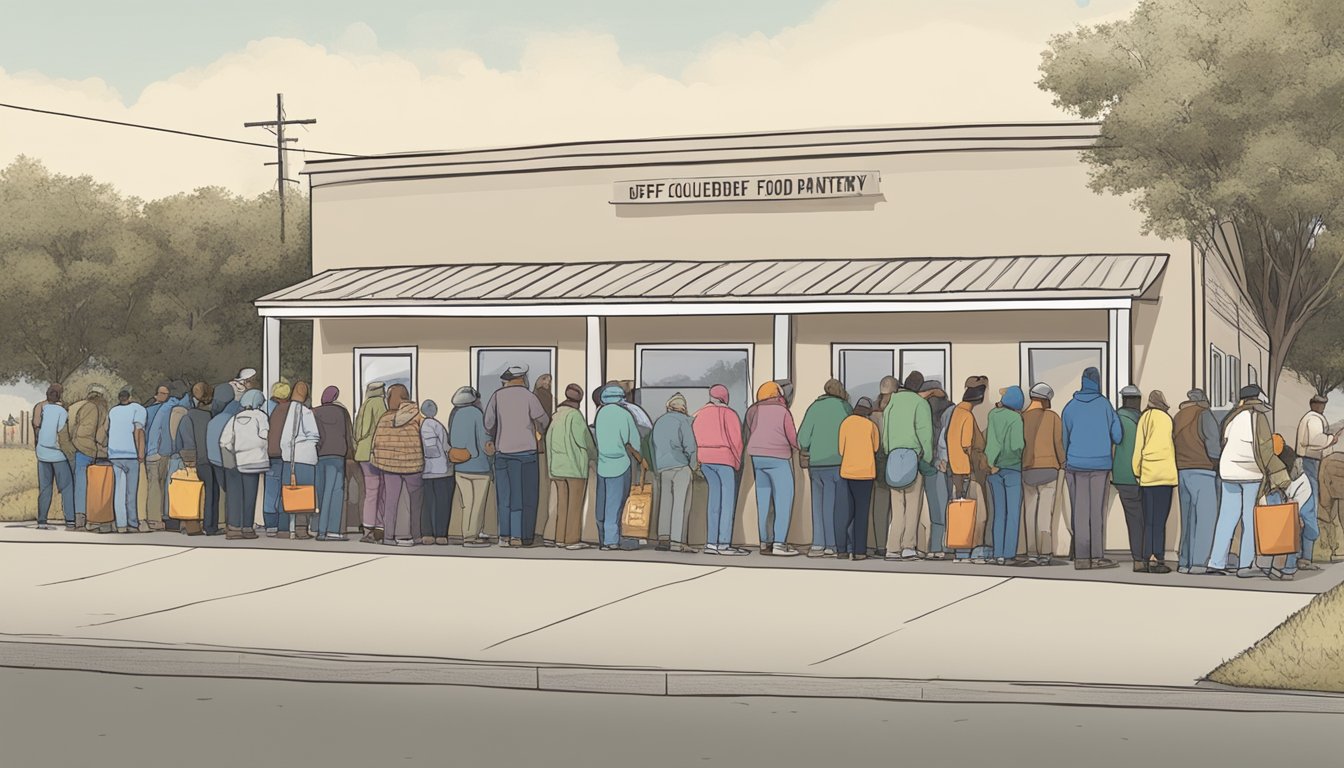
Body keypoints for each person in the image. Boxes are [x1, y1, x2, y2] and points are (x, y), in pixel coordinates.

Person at [1208, 384, 1287, 577]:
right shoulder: (1257, 417)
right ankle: (1245, 565)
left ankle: (1216, 562)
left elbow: (1224, 442)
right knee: (1250, 519)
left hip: (1228, 472)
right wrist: (1280, 473)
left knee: (1226, 517)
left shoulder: (1231, 417)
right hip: (1251, 474)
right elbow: (1266, 449)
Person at [1061, 367, 1123, 570]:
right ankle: (1096, 556)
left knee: (1079, 511)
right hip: (1100, 465)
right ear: (1098, 382)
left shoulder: (1069, 407)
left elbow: (1064, 439)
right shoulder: (1105, 405)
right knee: (1097, 512)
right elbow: (1118, 436)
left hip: (1075, 465)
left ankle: (1081, 557)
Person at [485, 365, 550, 548]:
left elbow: (488, 422)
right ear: (522, 378)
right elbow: (544, 420)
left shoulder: (497, 396)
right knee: (525, 497)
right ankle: (521, 536)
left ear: (507, 380)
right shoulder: (530, 397)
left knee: (505, 497)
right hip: (526, 454)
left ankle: (504, 536)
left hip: (502, 453)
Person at [745, 381, 801, 556]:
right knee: (783, 500)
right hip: (778, 458)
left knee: (763, 501)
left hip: (757, 458)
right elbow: (792, 437)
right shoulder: (782, 411)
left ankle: (764, 542)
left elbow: (751, 429)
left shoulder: (753, 410)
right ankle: (779, 544)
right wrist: (801, 447)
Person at [883, 372, 934, 561]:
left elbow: (885, 432)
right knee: (913, 505)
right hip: (913, 457)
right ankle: (908, 547)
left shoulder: (893, 402)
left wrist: (889, 451)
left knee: (897, 506)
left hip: (894, 457)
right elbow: (925, 433)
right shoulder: (920, 403)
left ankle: (892, 547)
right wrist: (926, 458)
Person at [798, 379, 851, 558]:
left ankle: (818, 544)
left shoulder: (814, 407)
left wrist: (808, 450)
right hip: (838, 464)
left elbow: (803, 439)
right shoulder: (845, 407)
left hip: (816, 465)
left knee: (818, 506)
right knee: (835, 506)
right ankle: (832, 544)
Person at [693, 384, 746, 556]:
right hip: (724, 459)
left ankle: (711, 543)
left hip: (704, 460)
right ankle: (724, 543)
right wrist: (737, 462)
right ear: (725, 397)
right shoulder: (729, 414)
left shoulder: (699, 414)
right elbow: (736, 441)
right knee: (727, 503)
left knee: (714, 502)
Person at [594, 384, 648, 550]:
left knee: (601, 504)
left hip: (603, 464)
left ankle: (603, 538)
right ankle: (612, 541)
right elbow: (632, 441)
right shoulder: (624, 414)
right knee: (615, 505)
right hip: (620, 464)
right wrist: (641, 459)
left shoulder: (600, 414)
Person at [1173, 388, 1221, 574]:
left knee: (1188, 520)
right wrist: (1218, 460)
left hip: (1183, 471)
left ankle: (1184, 562)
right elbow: (1212, 443)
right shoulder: (1204, 415)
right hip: (1203, 470)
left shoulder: (1178, 416)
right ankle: (1199, 563)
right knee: (1205, 519)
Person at [372, 384, 425, 547]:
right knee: (416, 502)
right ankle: (416, 535)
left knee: (391, 502)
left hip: (390, 467)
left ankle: (389, 537)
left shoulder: (385, 418)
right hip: (413, 464)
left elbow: (377, 443)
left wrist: (380, 461)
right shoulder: (418, 415)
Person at [1131, 390, 1177, 573]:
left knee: (1148, 519)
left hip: (1148, 476)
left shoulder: (1145, 418)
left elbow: (1138, 448)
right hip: (1165, 476)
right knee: (1160, 520)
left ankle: (1145, 558)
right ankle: (1158, 558)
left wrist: (1136, 471)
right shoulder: (1167, 419)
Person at [546, 384, 596, 550]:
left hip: (557, 468)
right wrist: (594, 455)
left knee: (562, 505)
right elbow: (585, 440)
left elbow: (548, 440)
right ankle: (572, 540)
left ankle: (559, 538)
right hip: (574, 467)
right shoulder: (575, 416)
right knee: (574, 506)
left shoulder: (556, 416)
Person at [949, 376, 991, 563]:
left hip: (956, 471)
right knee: (979, 514)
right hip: (968, 472)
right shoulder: (966, 415)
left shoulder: (956, 412)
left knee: (960, 513)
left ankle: (961, 551)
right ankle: (975, 551)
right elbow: (966, 444)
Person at [1021, 382, 1064, 566]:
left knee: (1030, 512)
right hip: (1049, 470)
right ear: (1046, 401)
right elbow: (1058, 443)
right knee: (1045, 513)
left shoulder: (1021, 418)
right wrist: (1063, 463)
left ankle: (1031, 552)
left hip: (1028, 471)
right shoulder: (1053, 417)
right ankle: (1045, 552)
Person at [651, 393, 698, 553]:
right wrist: (693, 466)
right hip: (681, 466)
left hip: (663, 467)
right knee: (681, 504)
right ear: (683, 408)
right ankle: (677, 542)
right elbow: (690, 446)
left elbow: (653, 445)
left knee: (665, 503)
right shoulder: (686, 421)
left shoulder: (659, 422)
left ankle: (663, 538)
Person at [220, 389, 269, 539]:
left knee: (235, 496)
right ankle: (248, 528)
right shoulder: (260, 416)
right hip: (255, 461)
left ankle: (234, 527)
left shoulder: (234, 418)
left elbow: (224, 441)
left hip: (237, 461)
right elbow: (265, 435)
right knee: (250, 496)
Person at [985, 385, 1026, 565]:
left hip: (994, 469)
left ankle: (998, 553)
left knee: (999, 513)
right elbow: (1017, 445)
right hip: (1013, 469)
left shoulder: (993, 415)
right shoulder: (1016, 419)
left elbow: (992, 441)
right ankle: (1009, 553)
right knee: (1013, 513)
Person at [837, 397, 880, 561]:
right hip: (866, 473)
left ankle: (842, 549)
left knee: (846, 512)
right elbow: (876, 448)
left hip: (847, 472)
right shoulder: (871, 426)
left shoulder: (846, 423)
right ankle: (859, 551)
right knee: (862, 514)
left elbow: (841, 450)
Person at [449, 386, 493, 547]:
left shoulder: (454, 415)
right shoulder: (476, 414)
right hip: (479, 467)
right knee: (477, 505)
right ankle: (471, 537)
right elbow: (484, 442)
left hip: (460, 467)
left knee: (467, 503)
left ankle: (467, 534)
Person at [1294, 394, 1334, 571]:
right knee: (1309, 508)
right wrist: (1331, 439)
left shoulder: (1308, 418)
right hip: (1310, 461)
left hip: (1306, 461)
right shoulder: (1314, 419)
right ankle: (1305, 557)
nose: (1322, 407)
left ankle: (1300, 555)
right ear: (1314, 405)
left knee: (1304, 507)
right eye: (1320, 404)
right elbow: (1316, 441)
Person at [175, 382, 219, 535]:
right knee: (212, 493)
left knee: (192, 493)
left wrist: (188, 459)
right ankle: (210, 526)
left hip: (195, 461)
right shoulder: (211, 416)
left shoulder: (188, 416)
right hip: (210, 459)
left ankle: (191, 524)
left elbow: (183, 440)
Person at [66, 384, 110, 531]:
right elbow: (100, 435)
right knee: (91, 485)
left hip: (75, 448)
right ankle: (90, 518)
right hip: (90, 451)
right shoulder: (101, 409)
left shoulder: (79, 406)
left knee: (76, 484)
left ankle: (76, 518)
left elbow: (72, 427)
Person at [279, 382, 320, 540]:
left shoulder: (283, 411)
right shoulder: (306, 412)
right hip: (305, 457)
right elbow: (314, 435)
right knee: (304, 493)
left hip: (287, 457)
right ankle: (301, 528)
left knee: (288, 492)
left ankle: (286, 527)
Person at [314, 386, 354, 542]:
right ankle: (332, 530)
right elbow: (348, 433)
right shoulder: (341, 412)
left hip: (320, 455)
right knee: (336, 492)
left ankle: (319, 529)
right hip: (338, 455)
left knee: (322, 492)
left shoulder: (315, 412)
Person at [206, 385, 247, 538]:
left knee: (224, 492)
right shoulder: (235, 418)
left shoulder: (215, 419)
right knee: (235, 492)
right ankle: (235, 524)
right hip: (231, 460)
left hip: (216, 460)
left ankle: (225, 523)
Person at [1112, 385, 1145, 570]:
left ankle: (1138, 558)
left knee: (1133, 518)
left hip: (1123, 476)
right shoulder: (1145, 419)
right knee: (1145, 518)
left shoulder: (1116, 418)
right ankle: (1146, 556)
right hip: (1145, 475)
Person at [33, 384, 74, 531]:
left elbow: (36, 425)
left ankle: (42, 520)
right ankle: (70, 519)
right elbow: (62, 435)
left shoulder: (41, 408)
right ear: (60, 395)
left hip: (42, 453)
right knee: (67, 486)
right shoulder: (62, 412)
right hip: (57, 455)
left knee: (45, 488)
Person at [106, 389, 147, 534]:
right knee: (131, 492)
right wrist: (140, 453)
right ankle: (133, 523)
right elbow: (138, 432)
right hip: (131, 454)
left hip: (115, 455)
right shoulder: (138, 409)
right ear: (130, 397)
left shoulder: (113, 411)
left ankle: (121, 524)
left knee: (119, 491)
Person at [921, 380, 953, 561]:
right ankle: (946, 545)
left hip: (931, 463)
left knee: (936, 508)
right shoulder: (950, 409)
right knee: (947, 505)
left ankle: (935, 546)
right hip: (947, 463)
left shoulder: (923, 408)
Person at [869, 376, 899, 558]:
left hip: (875, 462)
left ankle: (881, 545)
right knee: (899, 505)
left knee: (879, 506)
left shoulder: (871, 413)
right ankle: (894, 546)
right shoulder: (896, 410)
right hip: (896, 460)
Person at [353, 381, 387, 543]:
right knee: (378, 492)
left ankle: (368, 527)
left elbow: (356, 432)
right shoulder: (379, 404)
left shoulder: (363, 405)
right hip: (374, 453)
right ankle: (375, 528)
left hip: (361, 453)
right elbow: (383, 428)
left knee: (370, 492)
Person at [418, 399, 454, 546]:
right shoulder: (438, 426)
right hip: (442, 471)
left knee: (427, 504)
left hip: (426, 471)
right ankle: (441, 535)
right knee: (442, 504)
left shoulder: (420, 427)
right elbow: (446, 446)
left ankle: (427, 534)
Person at [140, 383, 172, 532]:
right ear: (155, 395)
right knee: (158, 484)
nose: (165, 396)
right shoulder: (167, 409)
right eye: (162, 393)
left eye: (166, 394)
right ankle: (157, 517)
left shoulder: (147, 411)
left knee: (155, 485)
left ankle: (156, 516)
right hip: (155, 452)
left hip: (153, 453)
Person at [264, 380, 294, 537]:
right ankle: (285, 524)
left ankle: (270, 525)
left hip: (269, 454)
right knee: (286, 488)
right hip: (285, 454)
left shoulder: (264, 408)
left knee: (270, 491)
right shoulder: (289, 410)